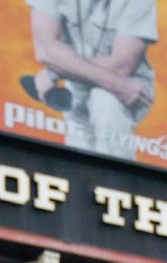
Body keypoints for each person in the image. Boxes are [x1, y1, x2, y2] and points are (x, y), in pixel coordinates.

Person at [22, 0, 157, 160]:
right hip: (80, 89)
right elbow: (45, 50)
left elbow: (121, 67)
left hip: (127, 93)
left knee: (105, 103)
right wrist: (116, 85)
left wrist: (57, 68)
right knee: (77, 163)